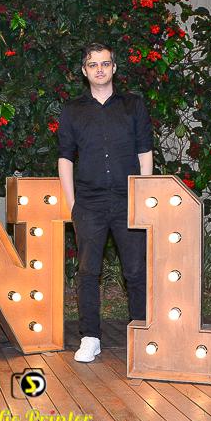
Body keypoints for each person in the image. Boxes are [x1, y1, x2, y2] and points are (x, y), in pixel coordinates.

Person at [57, 42, 153, 363]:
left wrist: (144, 196)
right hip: (89, 202)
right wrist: (72, 204)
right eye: (93, 64)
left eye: (105, 63)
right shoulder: (72, 110)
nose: (100, 69)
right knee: (88, 272)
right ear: (84, 71)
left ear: (114, 68)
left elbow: (145, 153)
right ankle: (90, 338)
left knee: (136, 270)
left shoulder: (133, 106)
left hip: (129, 200)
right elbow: (65, 159)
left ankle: (143, 333)